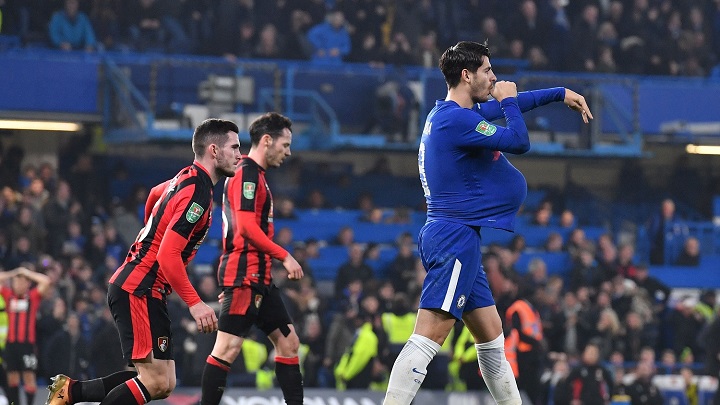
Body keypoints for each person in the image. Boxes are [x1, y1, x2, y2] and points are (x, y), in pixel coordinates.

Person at [382, 40, 592, 405]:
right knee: (429, 336)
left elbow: (505, 106)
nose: (495, 78)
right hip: (453, 238)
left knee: (493, 338)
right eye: (487, 71)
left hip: (460, 236)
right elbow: (518, 140)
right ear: (467, 75)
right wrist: (509, 101)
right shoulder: (456, 119)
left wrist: (559, 94)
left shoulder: (448, 115)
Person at [46, 118, 242, 405]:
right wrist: (195, 303)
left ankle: (71, 392)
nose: (240, 154)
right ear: (214, 150)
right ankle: (71, 393)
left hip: (145, 286)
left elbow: (153, 195)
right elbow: (167, 254)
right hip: (140, 288)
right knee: (156, 381)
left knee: (164, 382)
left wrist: (151, 231)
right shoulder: (197, 194)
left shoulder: (185, 176)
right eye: (235, 147)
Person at [200, 112, 304, 405]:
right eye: (285, 145)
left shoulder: (254, 175)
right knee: (227, 347)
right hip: (245, 275)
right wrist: (285, 256)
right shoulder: (245, 173)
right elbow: (245, 228)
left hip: (259, 277)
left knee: (288, 342)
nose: (288, 152)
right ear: (267, 140)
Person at [0, 266, 52, 405]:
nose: (19, 284)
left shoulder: (33, 297)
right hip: (10, 344)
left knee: (29, 376)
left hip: (27, 345)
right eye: (17, 282)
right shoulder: (7, 295)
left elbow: (46, 281)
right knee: (12, 378)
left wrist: (27, 272)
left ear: (28, 284)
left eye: (23, 282)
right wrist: (13, 272)